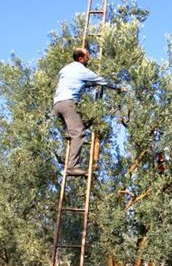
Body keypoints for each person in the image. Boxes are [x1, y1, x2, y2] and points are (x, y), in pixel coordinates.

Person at [52, 47, 126, 176]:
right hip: (68, 104)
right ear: (81, 58)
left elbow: (74, 82)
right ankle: (72, 167)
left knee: (71, 134)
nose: (88, 60)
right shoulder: (82, 70)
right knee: (79, 133)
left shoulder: (65, 69)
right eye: (87, 58)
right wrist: (118, 88)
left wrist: (88, 85)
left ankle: (68, 142)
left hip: (57, 105)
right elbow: (103, 81)